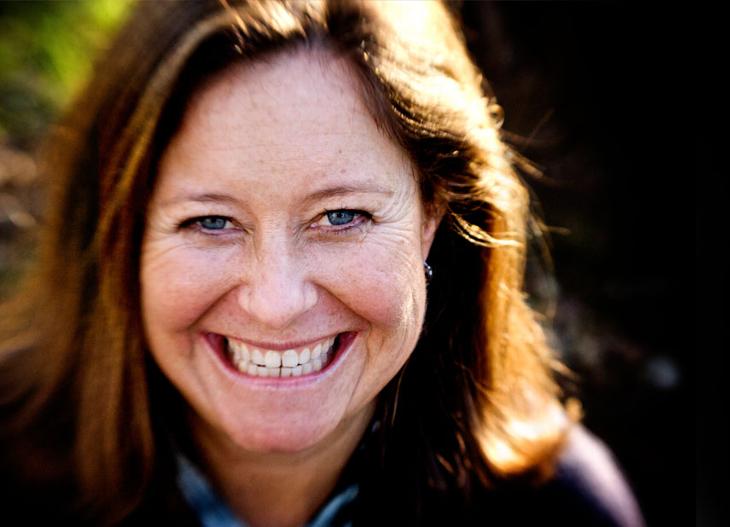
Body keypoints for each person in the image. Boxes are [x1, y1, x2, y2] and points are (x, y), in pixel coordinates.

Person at [0, 1, 645, 525]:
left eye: (341, 216)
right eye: (210, 222)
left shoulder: (564, 510)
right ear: (119, 233)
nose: (276, 304)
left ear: (432, 216)